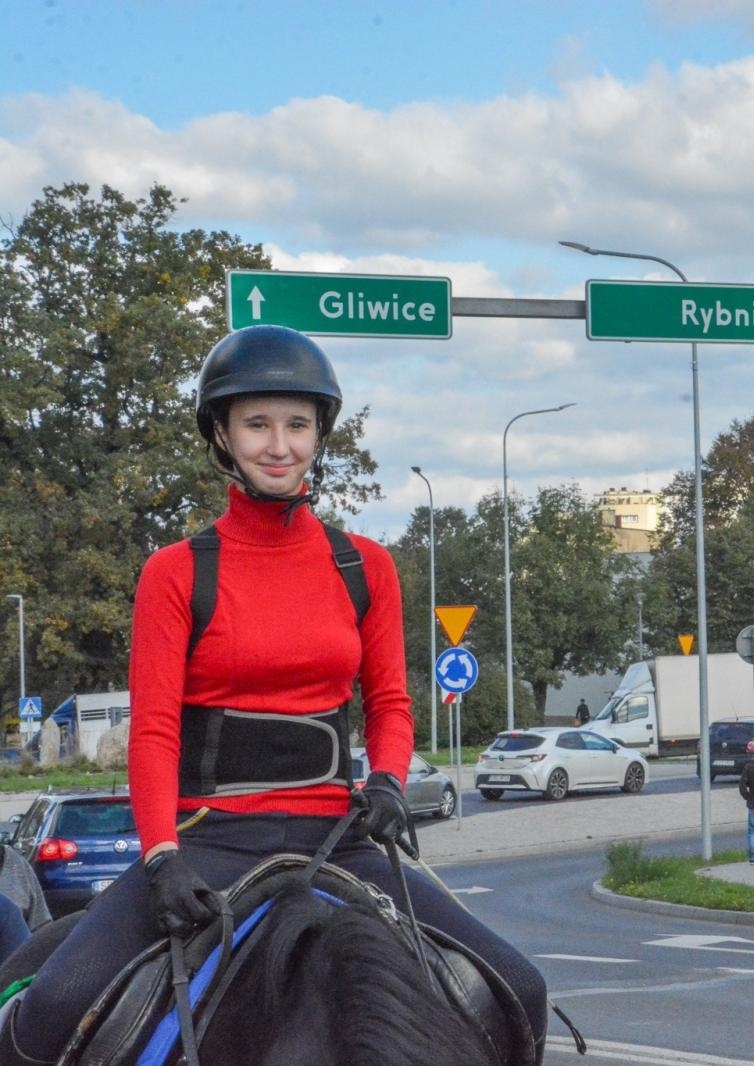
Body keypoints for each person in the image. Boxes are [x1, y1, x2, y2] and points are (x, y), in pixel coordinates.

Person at [6, 325, 547, 1065]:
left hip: (341, 841)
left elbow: (390, 703)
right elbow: (157, 730)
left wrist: (388, 779)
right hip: (211, 841)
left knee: (522, 986)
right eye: (257, 424)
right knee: (52, 1010)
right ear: (223, 437)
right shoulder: (175, 573)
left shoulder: (366, 568)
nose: (279, 445)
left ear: (318, 434)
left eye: (297, 425)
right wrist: (161, 855)